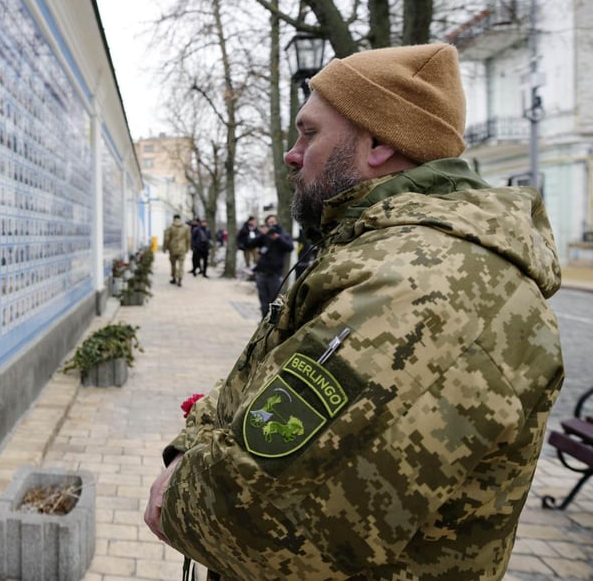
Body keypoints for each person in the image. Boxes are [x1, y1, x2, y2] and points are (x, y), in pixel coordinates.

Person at [144, 44, 566, 580]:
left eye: (310, 133)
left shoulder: (421, 286)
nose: (292, 154)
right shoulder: (377, 250)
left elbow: (263, 520)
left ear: (380, 143)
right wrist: (191, 446)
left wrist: (178, 491)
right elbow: (250, 391)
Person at [247, 214, 294, 317]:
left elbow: (290, 247)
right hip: (262, 273)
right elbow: (250, 244)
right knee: (263, 302)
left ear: (277, 222)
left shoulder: (284, 235)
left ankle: (272, 325)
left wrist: (278, 238)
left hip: (275, 275)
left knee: (275, 301)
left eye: (273, 222)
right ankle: (263, 323)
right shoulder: (264, 236)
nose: (272, 224)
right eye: (269, 222)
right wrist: (262, 234)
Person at [162, 214, 190, 287]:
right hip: (182, 248)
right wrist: (187, 248)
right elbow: (188, 239)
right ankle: (180, 278)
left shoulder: (170, 228)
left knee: (173, 264)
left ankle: (174, 278)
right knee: (181, 264)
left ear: (173, 219)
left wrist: (165, 248)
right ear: (180, 219)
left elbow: (166, 239)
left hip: (172, 248)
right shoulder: (186, 228)